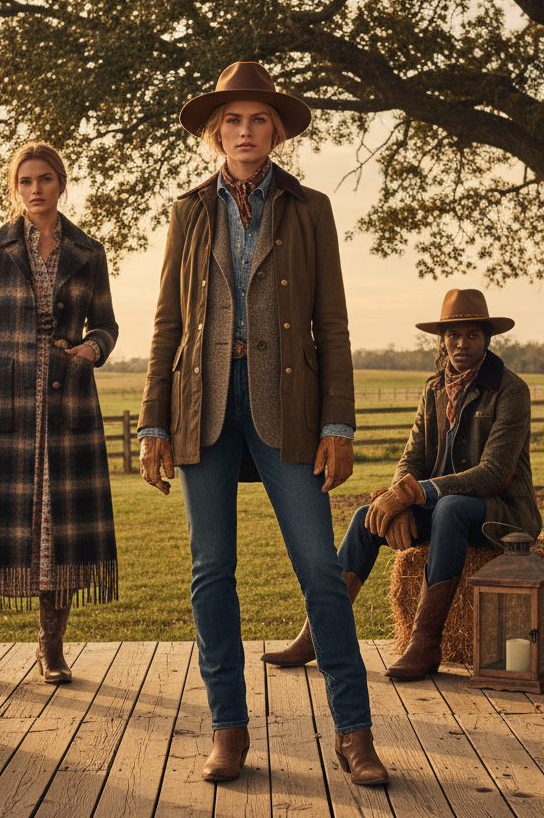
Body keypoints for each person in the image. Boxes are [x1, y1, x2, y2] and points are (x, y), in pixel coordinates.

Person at [138, 62, 387, 786]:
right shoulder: (188, 211)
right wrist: (153, 422)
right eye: (233, 121)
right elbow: (168, 323)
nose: (245, 132)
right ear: (216, 133)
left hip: (291, 407)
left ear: (275, 130)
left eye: (258, 120)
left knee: (320, 569)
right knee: (211, 571)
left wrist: (339, 423)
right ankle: (229, 729)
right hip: (203, 402)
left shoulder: (310, 208)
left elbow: (331, 323)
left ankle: (354, 732)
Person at [263, 289, 542, 679]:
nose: (461, 343)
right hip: (443, 510)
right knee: (366, 517)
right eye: (453, 335)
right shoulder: (433, 390)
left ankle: (425, 644)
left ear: (487, 339)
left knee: (451, 508)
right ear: (442, 341)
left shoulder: (511, 390)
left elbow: (493, 473)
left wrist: (417, 493)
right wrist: (399, 499)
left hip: (502, 514)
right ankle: (318, 635)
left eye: (472, 335)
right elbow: (411, 458)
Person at [0, 142, 119, 690]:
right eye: (25, 181)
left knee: (59, 528)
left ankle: (51, 647)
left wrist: (93, 348)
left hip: (69, 406)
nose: (35, 189)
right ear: (15, 188)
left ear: (61, 183)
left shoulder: (89, 251)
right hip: (6, 405)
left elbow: (107, 324)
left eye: (45, 179)